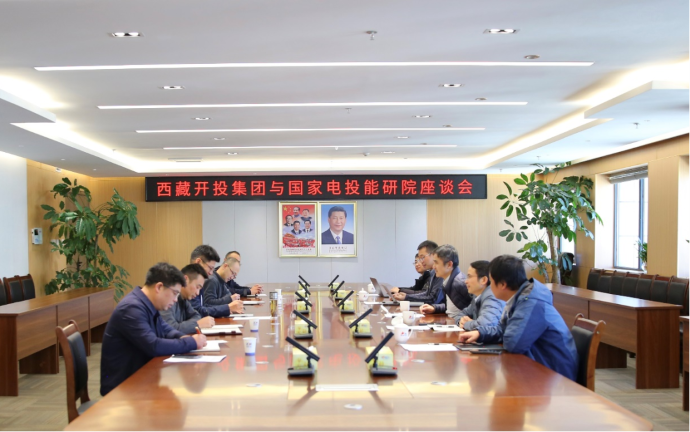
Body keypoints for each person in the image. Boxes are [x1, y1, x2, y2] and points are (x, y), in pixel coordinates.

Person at [458, 255, 578, 381]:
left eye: (491, 282)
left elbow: (513, 343)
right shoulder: (519, 297)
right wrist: (480, 333)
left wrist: (499, 331)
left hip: (555, 374)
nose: (489, 287)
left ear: (503, 284)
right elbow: (503, 329)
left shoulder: (531, 302)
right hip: (538, 366)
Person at [100, 263, 206, 396]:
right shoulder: (131, 308)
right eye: (174, 293)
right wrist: (191, 342)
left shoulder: (148, 304)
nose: (175, 300)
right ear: (159, 287)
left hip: (141, 380)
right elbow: (153, 345)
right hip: (122, 389)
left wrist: (182, 337)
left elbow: (166, 329)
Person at [189, 246, 243, 318]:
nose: (211, 273)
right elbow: (199, 310)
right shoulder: (190, 284)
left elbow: (202, 309)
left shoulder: (200, 283)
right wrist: (227, 308)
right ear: (198, 262)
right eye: (210, 268)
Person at [161, 263, 215, 334]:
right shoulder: (168, 298)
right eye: (197, 287)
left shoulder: (184, 299)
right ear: (185, 279)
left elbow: (197, 316)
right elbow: (170, 329)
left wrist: (186, 325)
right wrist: (197, 324)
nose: (198, 293)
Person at [419, 245, 471, 318]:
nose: (433, 267)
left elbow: (474, 310)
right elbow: (449, 307)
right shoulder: (448, 280)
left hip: (457, 323)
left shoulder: (459, 283)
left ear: (449, 265)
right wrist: (434, 308)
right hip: (451, 321)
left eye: (436, 263)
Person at [452, 260, 505, 330]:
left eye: (469, 276)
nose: (466, 281)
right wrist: (460, 321)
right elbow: (462, 314)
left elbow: (485, 325)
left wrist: (466, 324)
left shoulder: (492, 296)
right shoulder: (477, 296)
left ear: (483, 280)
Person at [391, 240, 443, 304]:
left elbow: (433, 298)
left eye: (422, 257)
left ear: (433, 255)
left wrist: (406, 296)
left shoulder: (440, 272)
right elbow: (426, 294)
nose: (421, 261)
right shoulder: (432, 272)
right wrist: (406, 296)